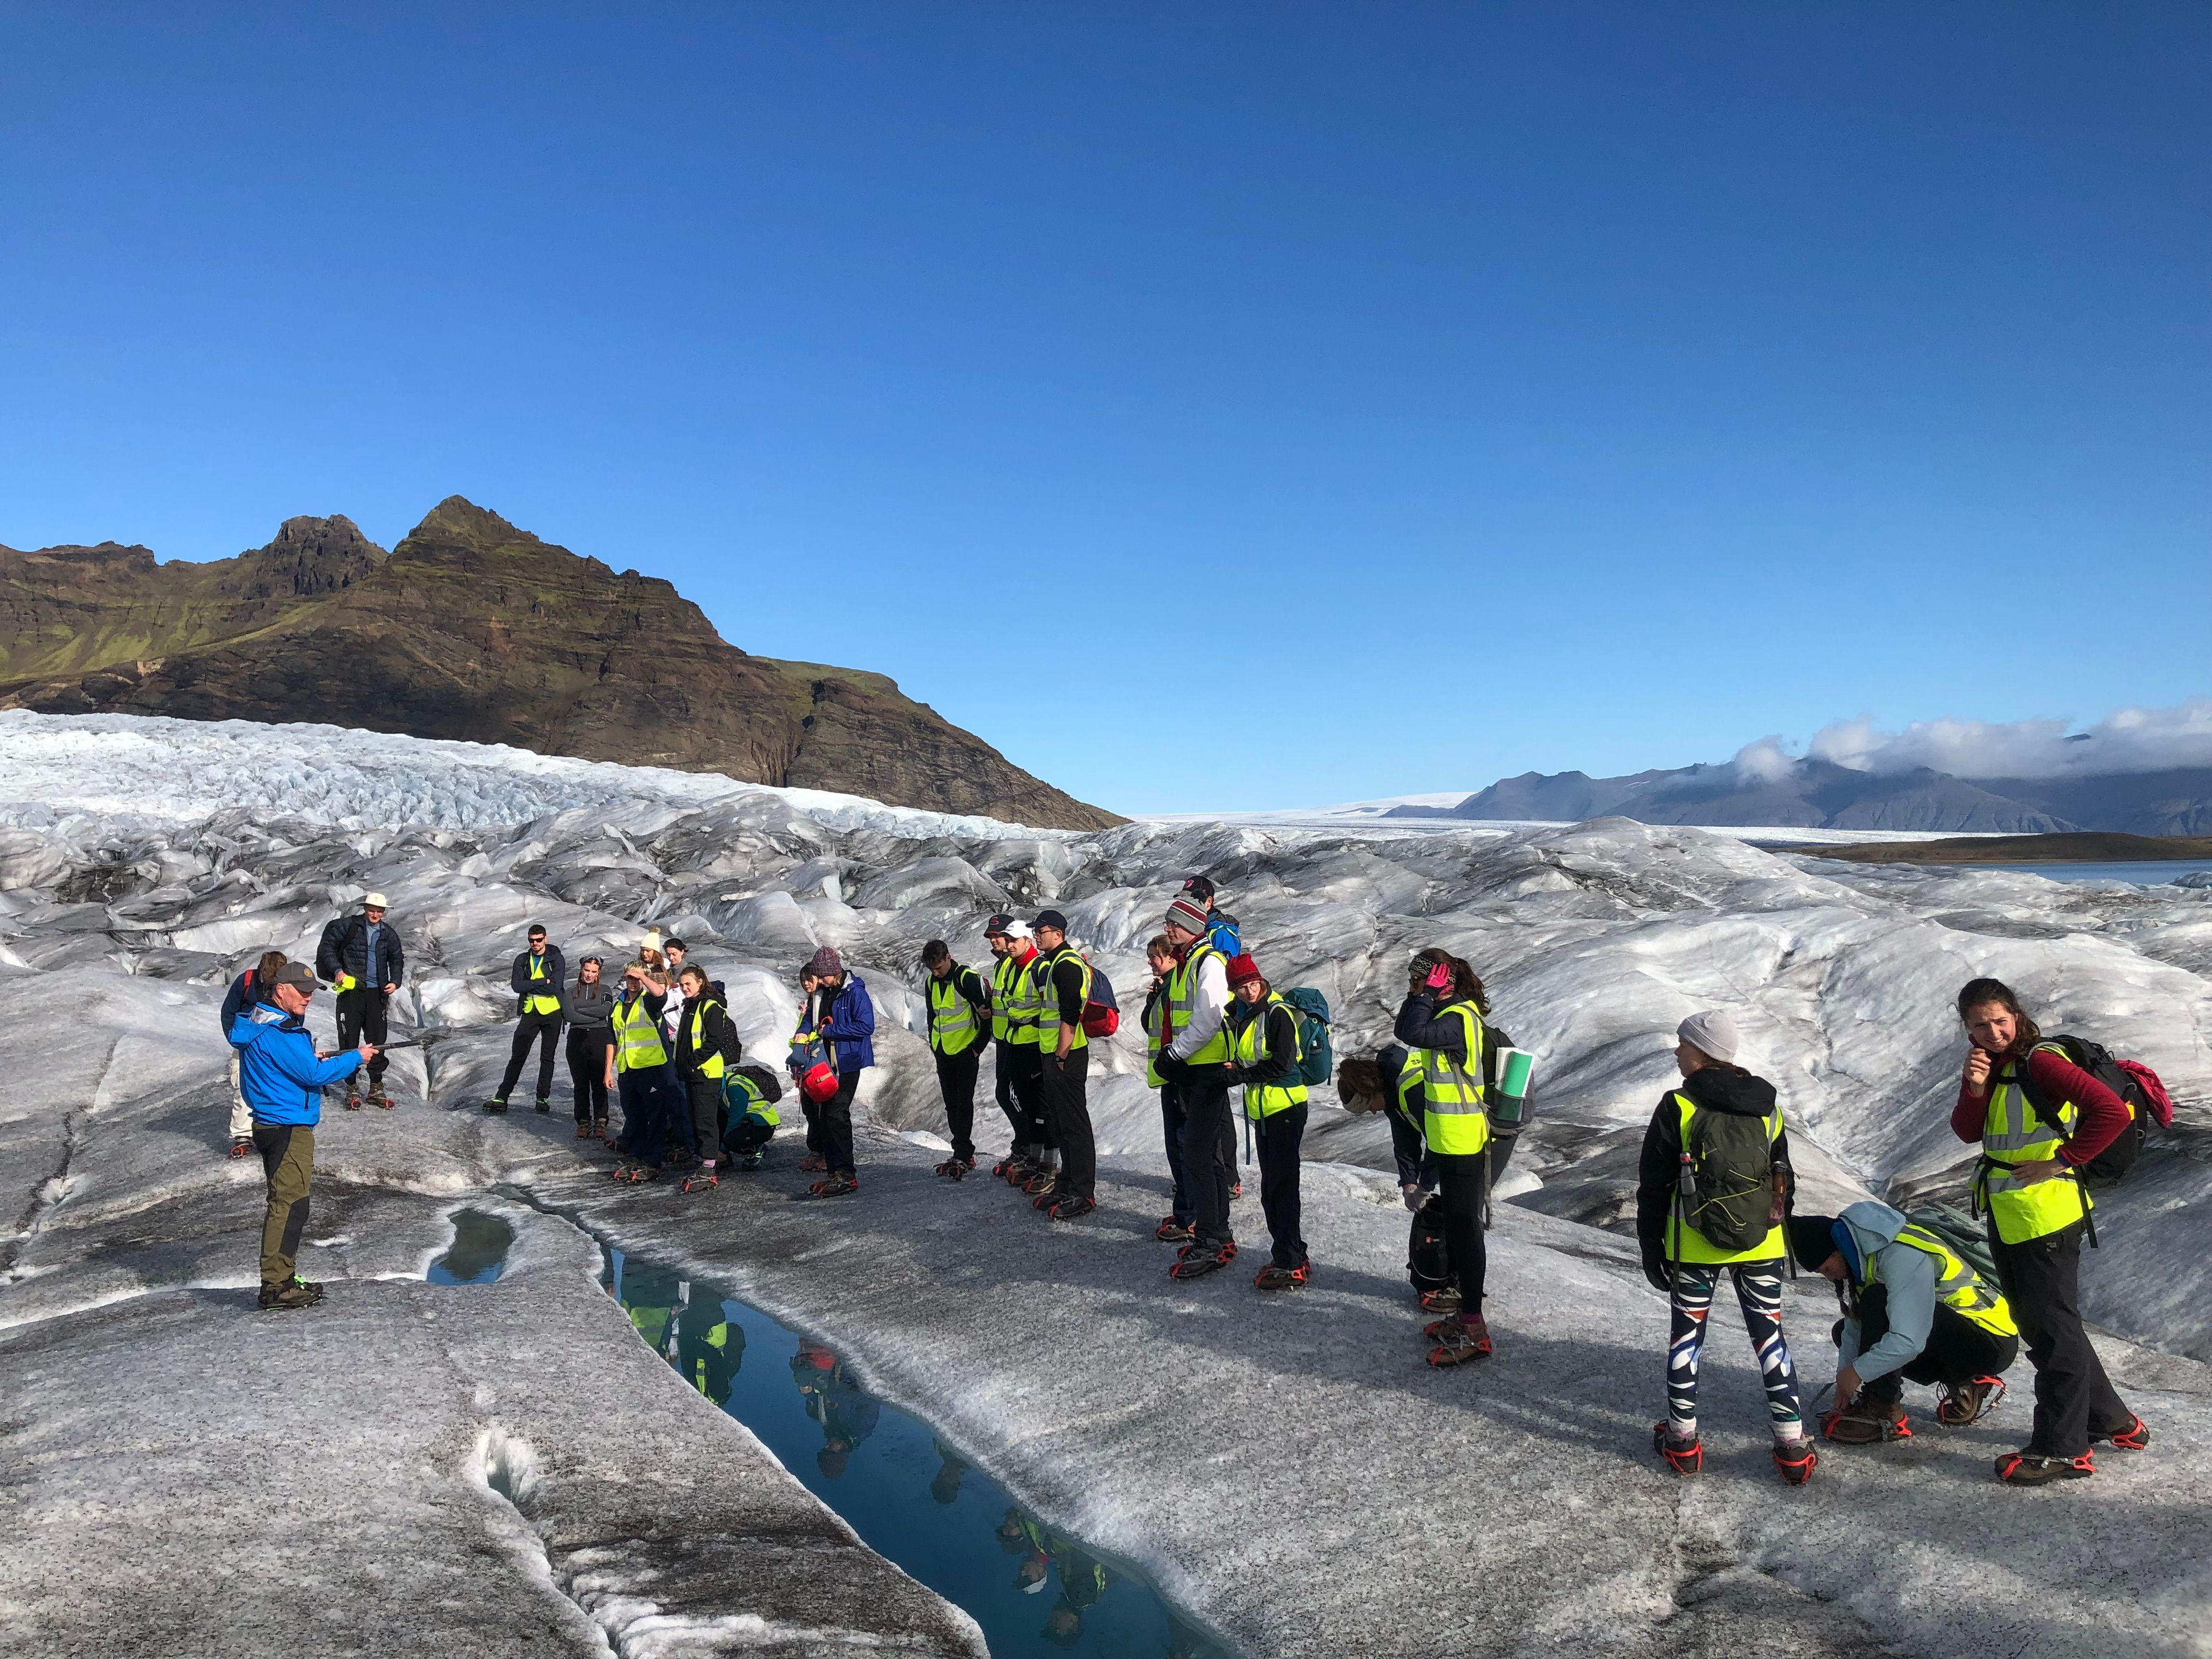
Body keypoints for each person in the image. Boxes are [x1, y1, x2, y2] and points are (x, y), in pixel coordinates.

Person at [1953, 977, 2148, 1484]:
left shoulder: (2041, 1061)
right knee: (2047, 1324)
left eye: (2001, 1020)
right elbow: (1970, 1132)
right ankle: (2112, 1420)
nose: (1993, 1031)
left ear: (2016, 1015)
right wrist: (1975, 1089)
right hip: (2012, 1212)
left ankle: (2063, 1448)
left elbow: (2111, 1112)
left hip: (2046, 1216)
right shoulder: (2001, 1067)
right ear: (1967, 1028)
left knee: (2052, 1330)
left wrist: (2061, 1161)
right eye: (1981, 1024)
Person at [1634, 1008, 1816, 1485]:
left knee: (1687, 1339)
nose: (1677, 1052)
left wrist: (1651, 1246)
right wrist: (1778, 1228)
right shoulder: (1768, 1107)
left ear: (1704, 1052)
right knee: (1770, 1338)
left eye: (1683, 1045)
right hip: (1763, 1244)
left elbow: (1653, 1186)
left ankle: (1683, 1441)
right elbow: (1784, 1180)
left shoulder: (1678, 1106)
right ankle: (1793, 1446)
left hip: (1693, 1246)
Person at [1787, 1204, 2021, 1444]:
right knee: (1846, 1329)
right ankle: (1965, 1381)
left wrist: (1857, 1373)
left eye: (1827, 1268)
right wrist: (1844, 1381)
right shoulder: (1865, 1255)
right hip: (1958, 1334)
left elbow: (1909, 1341)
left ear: (1838, 1249)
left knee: (1878, 1301)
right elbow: (1854, 1330)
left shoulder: (1900, 1253)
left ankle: (1883, 1411)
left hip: (1990, 1339)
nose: (1831, 1277)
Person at [228, 962, 375, 1310]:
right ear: (281, 990)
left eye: (311, 992)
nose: (308, 998)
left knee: (288, 1204)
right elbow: (313, 1074)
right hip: (287, 1127)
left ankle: (282, 1277)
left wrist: (310, 1057)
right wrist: (357, 1057)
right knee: (290, 1206)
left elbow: (292, 1065)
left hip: (273, 1123)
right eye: (302, 991)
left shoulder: (260, 1024)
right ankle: (277, 1287)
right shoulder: (279, 1031)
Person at [1393, 950, 1504, 1363]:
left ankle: (1474, 1326)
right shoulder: (1449, 1014)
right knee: (1459, 1229)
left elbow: (1414, 1035)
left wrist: (1428, 995)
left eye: (1421, 980)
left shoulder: (1459, 1018)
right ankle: (1465, 1315)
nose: (1415, 986)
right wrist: (1418, 994)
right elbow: (1406, 1027)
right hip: (1446, 1137)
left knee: (1465, 1230)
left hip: (1462, 1140)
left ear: (1445, 984)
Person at [1159, 898, 1237, 1278]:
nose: (1168, 929)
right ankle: (1216, 1233)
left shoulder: (1209, 962)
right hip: (1193, 1070)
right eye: (1167, 923)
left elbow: (1208, 1017)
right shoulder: (1187, 962)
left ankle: (1212, 1239)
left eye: (1174, 924)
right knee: (1204, 1157)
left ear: (1192, 925)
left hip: (1206, 1071)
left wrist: (1174, 1053)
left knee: (1200, 1157)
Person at [1223, 953, 1311, 1288]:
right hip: (1266, 1109)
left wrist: (1241, 1075)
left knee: (1280, 1188)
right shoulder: (1248, 1013)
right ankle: (1292, 1254)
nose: (1248, 990)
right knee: (1274, 1186)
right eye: (1241, 986)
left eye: (1251, 983)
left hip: (1284, 1108)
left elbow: (1283, 1065)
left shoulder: (1277, 1014)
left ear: (1260, 979)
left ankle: (1290, 1261)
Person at [1025, 911, 1098, 1220]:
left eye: (1041, 931)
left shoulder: (1066, 964)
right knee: (1060, 1123)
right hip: (1054, 1053)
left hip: (1067, 1055)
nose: (1036, 936)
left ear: (1059, 933)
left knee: (1074, 1124)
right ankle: (1067, 1183)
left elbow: (1071, 1014)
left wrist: (1060, 1056)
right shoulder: (1055, 962)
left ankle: (1083, 1191)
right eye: (1036, 931)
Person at [315, 892, 403, 1109]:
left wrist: (396, 981)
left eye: (379, 911)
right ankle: (352, 1086)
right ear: (365, 909)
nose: (375, 914)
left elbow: (397, 958)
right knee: (349, 1041)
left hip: (377, 995)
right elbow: (327, 948)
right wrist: (338, 971)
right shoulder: (349, 927)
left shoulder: (388, 934)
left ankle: (376, 1087)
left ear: (384, 912)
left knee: (377, 1042)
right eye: (372, 910)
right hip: (351, 994)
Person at [803, 945, 873, 1199]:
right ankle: (834, 1170)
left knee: (837, 1114)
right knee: (824, 1115)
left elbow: (866, 1026)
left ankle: (846, 1173)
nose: (819, 980)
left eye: (823, 975)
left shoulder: (855, 993)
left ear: (834, 971)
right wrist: (803, 1032)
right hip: (824, 1063)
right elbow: (809, 1018)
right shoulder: (822, 994)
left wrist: (830, 1032)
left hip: (848, 1062)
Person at [1141, 934, 1197, 1243]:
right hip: (1171, 1074)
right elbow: (1150, 1023)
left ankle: (1190, 1215)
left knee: (1182, 1145)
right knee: (1178, 1144)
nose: (1151, 962)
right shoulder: (1166, 987)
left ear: (1172, 957)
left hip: (1179, 1074)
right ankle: (1188, 1211)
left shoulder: (1178, 985)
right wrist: (1153, 999)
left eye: (1155, 956)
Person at [983, 916, 1046, 1183]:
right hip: (1006, 1038)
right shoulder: (1003, 967)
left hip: (1024, 1041)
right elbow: (1001, 1000)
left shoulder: (1028, 966)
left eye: (1002, 936)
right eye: (994, 937)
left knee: (1020, 1097)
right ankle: (1027, 1147)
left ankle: (1028, 1147)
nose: (998, 942)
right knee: (1009, 1095)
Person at [921, 939, 990, 1178]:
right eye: (932, 969)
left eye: (939, 967)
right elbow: (933, 1015)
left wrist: (977, 1048)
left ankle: (964, 1152)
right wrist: (934, 1043)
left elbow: (987, 1014)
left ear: (948, 958)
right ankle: (959, 1151)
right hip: (943, 1052)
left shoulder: (967, 978)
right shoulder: (931, 982)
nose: (936, 973)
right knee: (951, 1103)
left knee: (963, 1102)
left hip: (965, 1051)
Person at [608, 960, 682, 1182]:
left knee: (655, 1116)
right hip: (627, 1068)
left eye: (638, 978)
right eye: (630, 978)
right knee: (634, 1115)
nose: (634, 982)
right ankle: (637, 1157)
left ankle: (652, 1161)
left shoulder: (648, 1000)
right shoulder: (618, 1005)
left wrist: (643, 977)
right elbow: (612, 1038)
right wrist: (607, 1071)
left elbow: (662, 995)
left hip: (650, 1067)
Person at [672, 963, 743, 1193]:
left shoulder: (710, 1006)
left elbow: (714, 1040)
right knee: (696, 1119)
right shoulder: (691, 1005)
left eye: (688, 984)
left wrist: (694, 1062)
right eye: (682, 985)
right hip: (692, 1073)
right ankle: (706, 1160)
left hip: (705, 1072)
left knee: (705, 1121)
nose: (684, 988)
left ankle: (709, 1166)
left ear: (700, 983)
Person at [217, 949, 289, 1157]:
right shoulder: (246, 981)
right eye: (269, 980)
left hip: (274, 1044)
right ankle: (242, 1136)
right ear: (262, 970)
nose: (271, 985)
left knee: (273, 1086)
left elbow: (294, 1014)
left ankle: (270, 1129)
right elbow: (228, 1011)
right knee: (242, 1087)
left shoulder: (287, 984)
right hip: (246, 1043)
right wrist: (234, 1038)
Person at [489, 923, 566, 1114]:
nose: (535, 944)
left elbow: (555, 988)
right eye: (532, 940)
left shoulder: (556, 958)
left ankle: (542, 1098)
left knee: (547, 1058)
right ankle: (502, 1096)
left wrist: (530, 985)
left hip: (553, 1013)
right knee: (518, 1056)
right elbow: (516, 986)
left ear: (545, 939)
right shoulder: (522, 959)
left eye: (539, 940)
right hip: (530, 1011)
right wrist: (542, 982)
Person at [563, 955, 617, 1139]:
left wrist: (581, 1011)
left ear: (599, 973)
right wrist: (594, 1017)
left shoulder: (605, 989)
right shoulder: (570, 991)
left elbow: (606, 1010)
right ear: (581, 970)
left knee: (599, 1082)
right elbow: (569, 1015)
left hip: (599, 1037)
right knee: (581, 1083)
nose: (589, 975)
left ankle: (601, 1120)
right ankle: (583, 1121)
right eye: (587, 970)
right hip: (577, 1038)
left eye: (594, 972)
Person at [789, 962, 826, 1169]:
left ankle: (821, 1152)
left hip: (816, 1060)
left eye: (808, 980)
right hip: (807, 1060)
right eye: (802, 981)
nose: (805, 984)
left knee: (819, 1110)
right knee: (811, 1109)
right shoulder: (812, 1002)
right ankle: (816, 1151)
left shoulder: (820, 1001)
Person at [1179, 874, 1243, 959]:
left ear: (1209, 902)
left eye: (1192, 900)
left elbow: (1227, 970)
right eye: (1184, 900)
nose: (1186, 905)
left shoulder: (1221, 934)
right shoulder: (1193, 928)